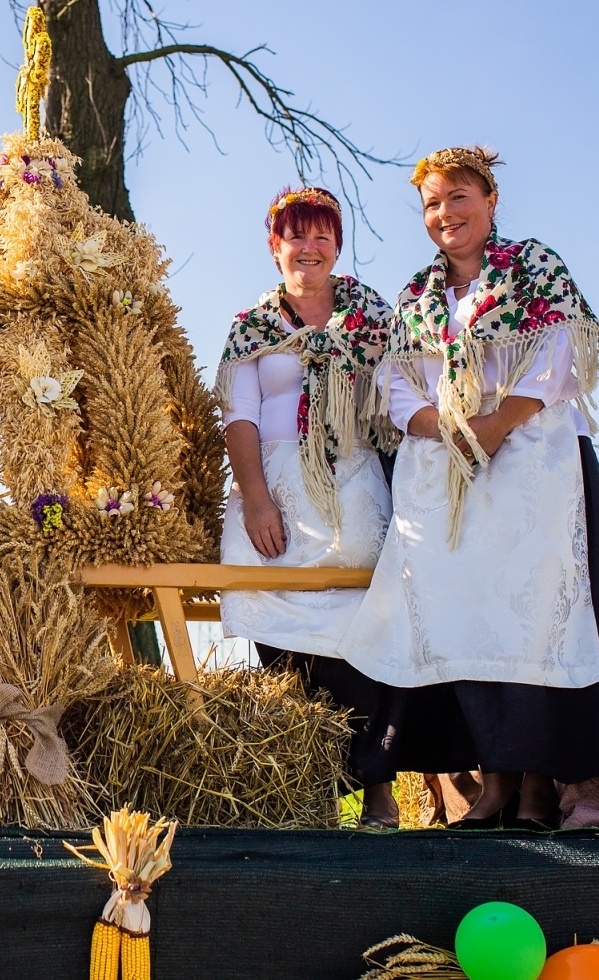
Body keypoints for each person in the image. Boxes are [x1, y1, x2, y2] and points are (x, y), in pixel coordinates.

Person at [337, 147, 599, 829]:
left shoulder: (533, 269)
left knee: (534, 618)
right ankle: (493, 783)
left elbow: (559, 358)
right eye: (432, 204)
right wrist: (448, 426)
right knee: (466, 620)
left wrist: (495, 425)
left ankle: (535, 788)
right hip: (447, 474)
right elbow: (399, 386)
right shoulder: (417, 297)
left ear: (490, 200)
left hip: (534, 467)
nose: (446, 214)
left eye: (458, 197)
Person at [215, 186, 400, 827]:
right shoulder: (253, 328)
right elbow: (238, 416)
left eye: (323, 235)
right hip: (277, 495)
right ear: (276, 248)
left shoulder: (373, 319)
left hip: (352, 485)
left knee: (364, 636)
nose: (309, 247)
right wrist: (256, 501)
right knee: (284, 640)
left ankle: (377, 787)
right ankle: (311, 789)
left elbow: (403, 398)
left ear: (337, 247)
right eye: (297, 235)